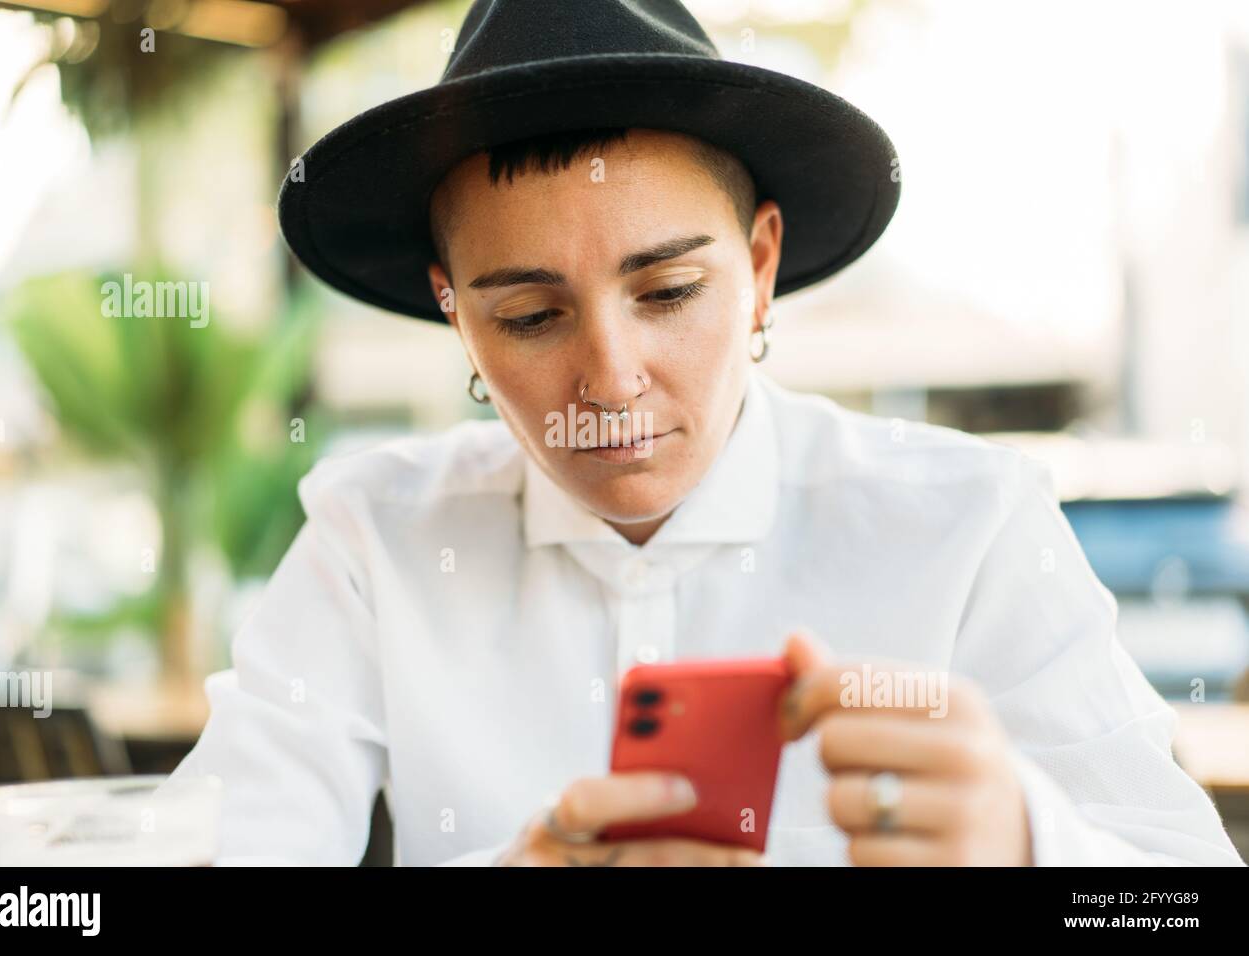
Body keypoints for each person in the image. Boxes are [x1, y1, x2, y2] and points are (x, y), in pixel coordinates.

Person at [166, 0, 1244, 866]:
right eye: (531, 316)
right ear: (454, 310)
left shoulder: (969, 522)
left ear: (762, 265)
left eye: (670, 289)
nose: (611, 374)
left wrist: (1025, 841)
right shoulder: (376, 540)